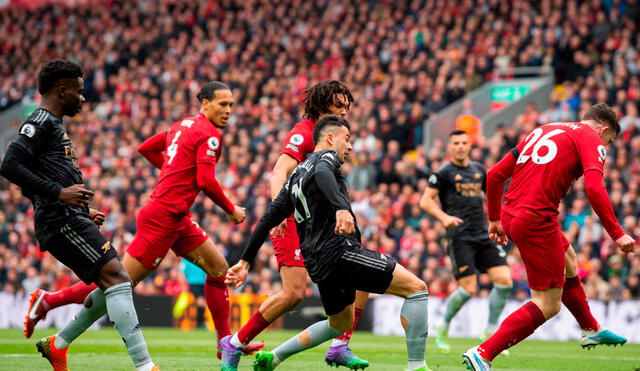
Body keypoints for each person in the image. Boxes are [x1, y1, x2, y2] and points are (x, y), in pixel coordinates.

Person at [21, 81, 263, 360]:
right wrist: (231, 209)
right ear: (205, 103)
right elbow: (205, 179)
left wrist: (174, 170)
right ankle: (50, 302)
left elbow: (146, 148)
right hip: (162, 218)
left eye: (232, 104)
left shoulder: (181, 126)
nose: (229, 110)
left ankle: (224, 342)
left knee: (218, 270)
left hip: (177, 217)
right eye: (223, 104)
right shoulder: (209, 135)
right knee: (116, 283)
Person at [226, 116, 431, 371]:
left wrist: (245, 260)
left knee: (340, 323)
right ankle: (417, 366)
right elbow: (324, 171)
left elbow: (268, 218)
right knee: (417, 288)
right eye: (347, 138)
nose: (351, 146)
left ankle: (275, 357)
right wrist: (341, 208)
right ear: (330, 137)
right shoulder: (326, 158)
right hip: (339, 253)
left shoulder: (295, 177)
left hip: (318, 265)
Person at [0, 60, 158, 371]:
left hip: (69, 215)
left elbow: (42, 175)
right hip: (59, 218)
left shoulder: (53, 124)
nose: (83, 98)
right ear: (62, 91)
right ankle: (145, 366)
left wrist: (81, 207)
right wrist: (61, 196)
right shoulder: (41, 120)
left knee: (111, 283)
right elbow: (9, 165)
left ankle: (57, 345)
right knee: (118, 278)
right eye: (79, 91)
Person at [463, 103, 636, 370]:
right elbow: (593, 187)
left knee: (569, 258)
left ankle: (591, 327)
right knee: (547, 304)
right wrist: (617, 233)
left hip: (513, 213)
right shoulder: (591, 137)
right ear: (603, 131)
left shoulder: (544, 129)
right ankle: (484, 353)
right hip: (535, 219)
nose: (606, 147)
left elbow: (495, 174)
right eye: (609, 141)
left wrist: (495, 218)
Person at [220, 80, 369, 371]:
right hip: (293, 220)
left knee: (362, 276)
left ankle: (340, 345)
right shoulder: (304, 134)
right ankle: (235, 343)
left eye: (346, 106)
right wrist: (279, 211)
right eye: (338, 105)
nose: (345, 110)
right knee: (294, 293)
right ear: (322, 105)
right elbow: (279, 172)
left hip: (321, 226)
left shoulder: (336, 135)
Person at [420, 129, 513, 352]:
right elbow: (425, 201)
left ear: (469, 146)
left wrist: (497, 220)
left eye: (464, 143)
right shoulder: (443, 173)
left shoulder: (479, 170)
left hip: (483, 234)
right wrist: (444, 218)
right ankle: (443, 325)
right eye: (456, 143)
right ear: (449, 147)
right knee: (468, 288)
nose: (461, 146)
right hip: (460, 236)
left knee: (504, 281)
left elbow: (492, 196)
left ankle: (490, 331)